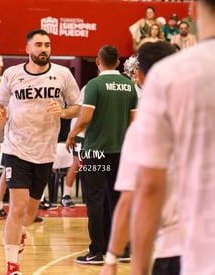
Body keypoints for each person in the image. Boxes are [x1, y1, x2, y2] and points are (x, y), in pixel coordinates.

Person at [130, 1, 215, 274]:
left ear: (191, 11)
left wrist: (136, 266)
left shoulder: (168, 75)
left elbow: (149, 187)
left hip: (192, 251)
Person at [0, 29, 81, 275]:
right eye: (39, 44)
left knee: (30, 215)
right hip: (15, 149)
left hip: (44, 152)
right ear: (27, 48)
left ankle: (20, 234)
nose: (44, 49)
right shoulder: (12, 74)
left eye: (48, 45)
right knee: (17, 207)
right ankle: (11, 266)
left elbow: (77, 107)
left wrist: (63, 112)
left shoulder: (62, 74)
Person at [99, 41, 177, 275]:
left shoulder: (147, 127)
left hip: (177, 248)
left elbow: (134, 200)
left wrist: (112, 259)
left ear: (140, 77)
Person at [66, 45, 137, 265]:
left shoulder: (94, 85)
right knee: (116, 199)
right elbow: (133, 122)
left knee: (95, 200)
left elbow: (86, 116)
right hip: (120, 151)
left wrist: (72, 134)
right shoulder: (129, 86)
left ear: (98, 61)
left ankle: (96, 251)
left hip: (95, 152)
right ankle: (122, 248)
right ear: (117, 63)